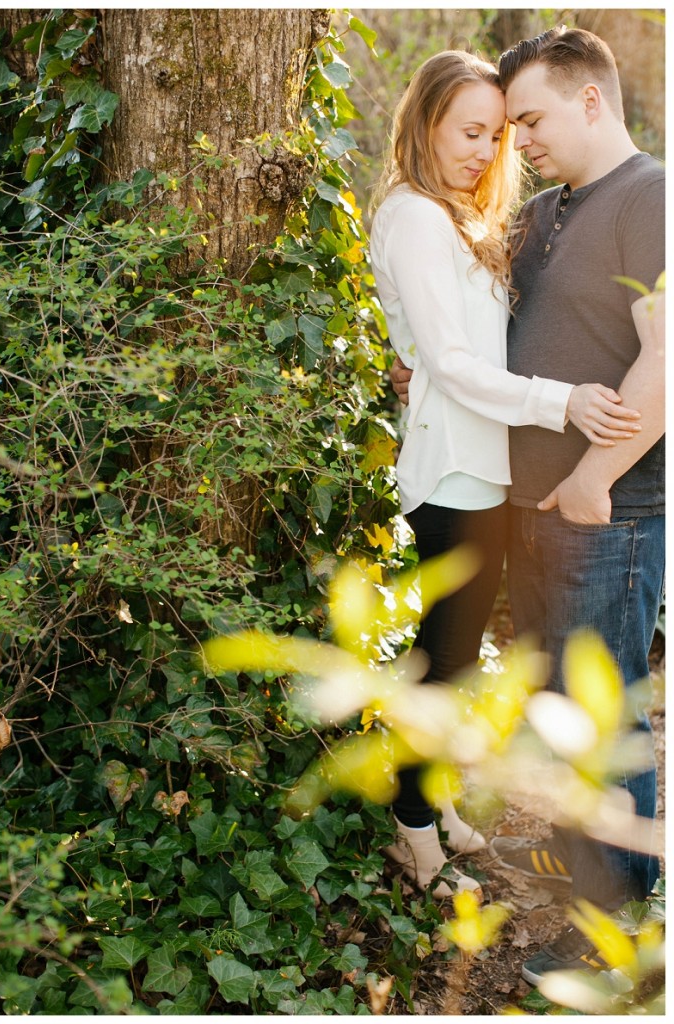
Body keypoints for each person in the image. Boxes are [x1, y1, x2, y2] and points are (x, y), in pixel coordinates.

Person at [390, 27, 665, 983]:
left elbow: (665, 349)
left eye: (526, 122)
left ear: (593, 100)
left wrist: (592, 474)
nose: (513, 144)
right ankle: (576, 858)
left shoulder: (649, 194)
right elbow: (463, 341)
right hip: (519, 501)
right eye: (501, 128)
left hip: (603, 508)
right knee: (544, 692)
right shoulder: (540, 211)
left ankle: (617, 928)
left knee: (603, 707)